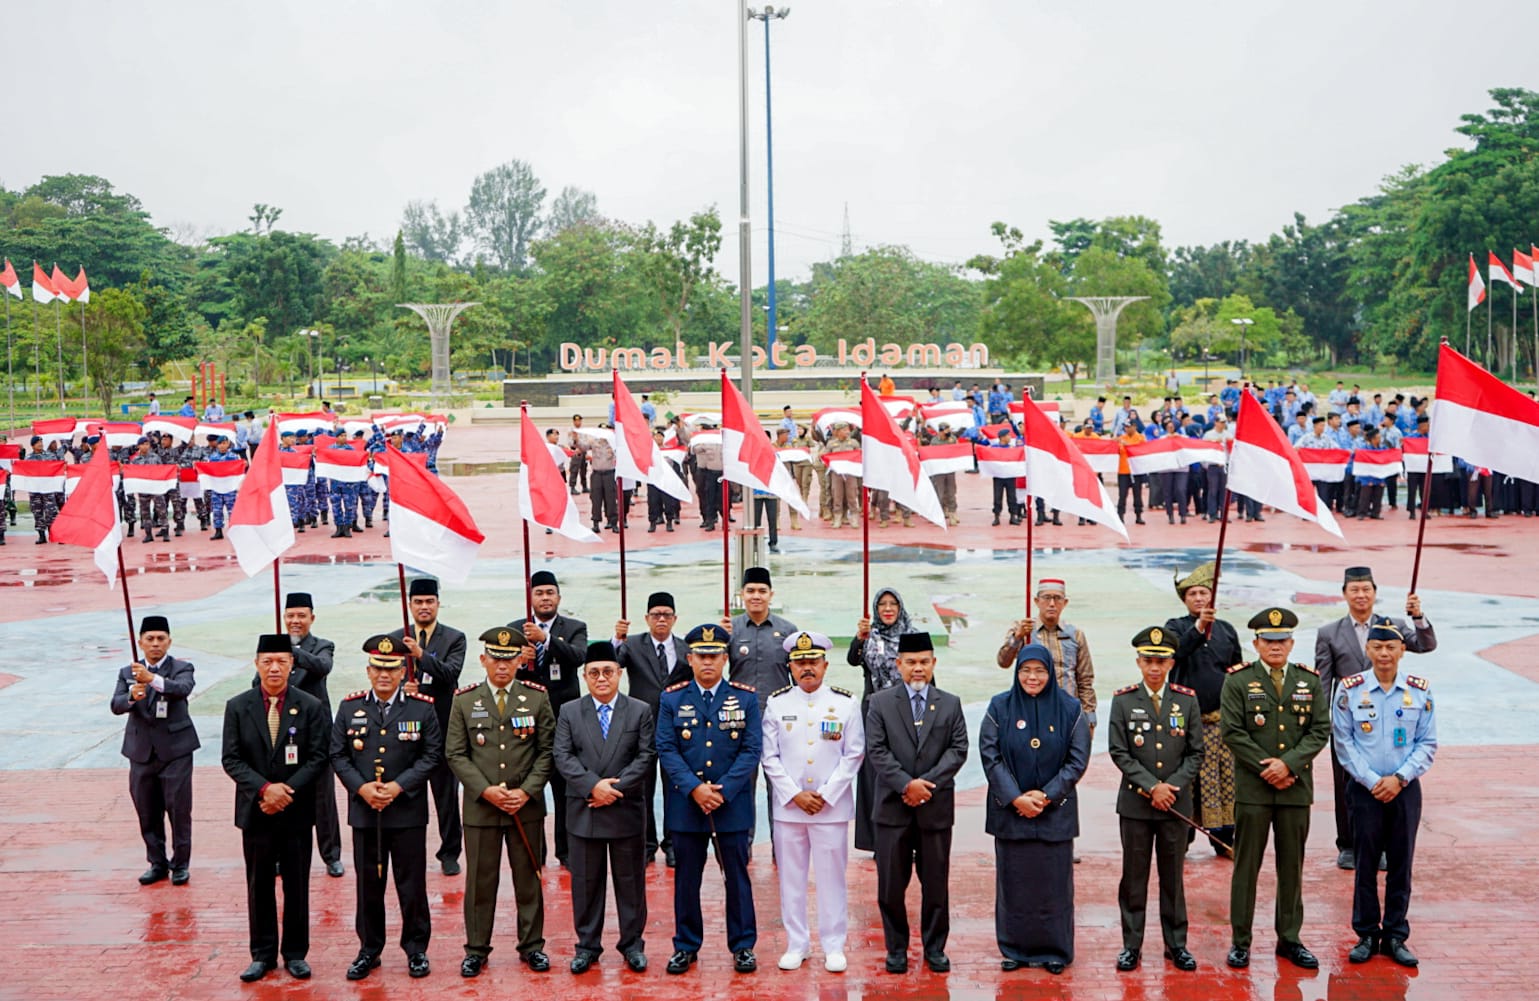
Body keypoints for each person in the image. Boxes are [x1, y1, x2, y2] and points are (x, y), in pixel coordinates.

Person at [1221, 608, 1331, 971]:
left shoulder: (1308, 681)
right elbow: (1232, 732)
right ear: (1255, 643)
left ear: (1292, 643)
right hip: (1254, 789)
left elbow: (1319, 730)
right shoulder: (1238, 681)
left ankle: (1290, 938)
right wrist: (1269, 767)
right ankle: (1241, 941)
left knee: (1292, 867)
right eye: (1268, 640)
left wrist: (1290, 765)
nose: (1275, 646)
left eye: (1282, 640)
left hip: (1295, 789)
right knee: (1246, 867)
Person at [331, 635, 443, 981]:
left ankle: (416, 949)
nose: (384, 675)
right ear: (368, 670)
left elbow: (431, 755)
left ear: (402, 671)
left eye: (391, 668)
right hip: (366, 811)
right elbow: (338, 754)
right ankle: (369, 949)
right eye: (378, 668)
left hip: (406, 810)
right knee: (369, 885)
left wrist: (398, 785)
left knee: (411, 885)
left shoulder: (421, 708)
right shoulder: (349, 708)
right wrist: (363, 788)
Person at [444, 627, 554, 977]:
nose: (502, 666)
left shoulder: (537, 698)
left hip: (527, 806)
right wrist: (486, 790)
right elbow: (456, 754)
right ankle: (476, 948)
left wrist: (527, 791)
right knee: (480, 881)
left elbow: (547, 751)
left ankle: (532, 945)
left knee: (529, 878)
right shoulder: (465, 700)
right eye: (495, 659)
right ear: (483, 660)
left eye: (509, 659)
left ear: (520, 660)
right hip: (482, 807)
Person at [222, 634, 330, 982]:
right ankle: (262, 954)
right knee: (259, 884)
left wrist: (286, 791)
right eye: (267, 661)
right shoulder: (238, 706)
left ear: (292, 664)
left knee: (297, 885)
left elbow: (317, 757)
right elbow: (232, 759)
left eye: (281, 661)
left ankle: (295, 953)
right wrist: (265, 790)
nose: (274, 668)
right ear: (256, 664)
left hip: (295, 811)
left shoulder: (310, 705)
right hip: (256, 811)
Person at [656, 624, 762, 975]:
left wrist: (724, 790)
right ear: (689, 658)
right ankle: (686, 945)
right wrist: (695, 788)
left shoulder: (745, 698)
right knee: (687, 878)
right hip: (687, 804)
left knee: (736, 876)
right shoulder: (672, 698)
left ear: (725, 659)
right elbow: (666, 749)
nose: (707, 663)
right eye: (701, 656)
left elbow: (751, 750)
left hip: (731, 803)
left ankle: (743, 945)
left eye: (714, 656)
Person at [1314, 565, 1435, 870]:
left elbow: (1425, 645)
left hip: (1390, 715)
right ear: (1344, 594)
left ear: (1375, 593)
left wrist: (1417, 617)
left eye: (1366, 589)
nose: (1361, 595)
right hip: (1348, 720)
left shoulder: (1392, 626)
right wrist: (1320, 723)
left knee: (1390, 775)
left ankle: (1382, 844)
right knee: (1347, 782)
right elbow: (1323, 681)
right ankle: (1349, 844)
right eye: (1354, 590)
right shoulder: (1329, 633)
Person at [1332, 622, 1437, 968]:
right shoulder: (1351, 690)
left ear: (1402, 650)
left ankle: (1395, 934)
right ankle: (1365, 933)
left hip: (1405, 790)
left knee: (1401, 864)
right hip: (1365, 790)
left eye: (1391, 647)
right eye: (1377, 647)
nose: (1384, 654)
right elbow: (1343, 742)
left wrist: (1400, 778)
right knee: (1364, 862)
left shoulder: (1419, 691)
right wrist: (1373, 779)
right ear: (1368, 651)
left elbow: (1427, 743)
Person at [981, 643, 1091, 975]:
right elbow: (990, 755)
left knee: (1053, 886)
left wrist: (1045, 796)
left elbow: (1077, 760)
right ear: (1017, 673)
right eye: (1025, 670)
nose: (1032, 677)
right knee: (1014, 884)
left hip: (1055, 812)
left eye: (1039, 670)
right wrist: (1016, 798)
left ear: (1050, 673)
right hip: (1010, 812)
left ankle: (1055, 950)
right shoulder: (999, 706)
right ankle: (1015, 948)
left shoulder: (1070, 709)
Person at [864, 631, 968, 974]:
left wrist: (928, 786)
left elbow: (958, 749)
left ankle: (935, 948)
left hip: (934, 810)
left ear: (934, 663)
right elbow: (876, 751)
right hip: (893, 809)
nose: (918, 669)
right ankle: (896, 948)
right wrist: (906, 785)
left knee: (936, 884)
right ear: (899, 665)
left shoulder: (950, 703)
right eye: (911, 662)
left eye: (924, 661)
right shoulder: (880, 703)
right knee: (891, 886)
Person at [761, 631, 864, 973]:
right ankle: (797, 943)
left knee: (832, 879)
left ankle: (834, 945)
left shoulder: (845, 703)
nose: (807, 668)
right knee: (791, 878)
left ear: (825, 665)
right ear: (790, 666)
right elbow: (769, 757)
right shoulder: (777, 704)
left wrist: (827, 794)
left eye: (813, 662)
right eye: (800, 663)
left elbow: (854, 755)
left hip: (830, 808)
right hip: (790, 809)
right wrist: (794, 794)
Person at [554, 642, 657, 974]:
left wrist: (613, 789)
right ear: (584, 676)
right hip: (584, 809)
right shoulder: (570, 711)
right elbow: (563, 756)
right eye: (594, 672)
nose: (602, 678)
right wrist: (592, 786)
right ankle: (587, 946)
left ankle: (632, 945)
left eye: (608, 672)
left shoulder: (639, 710)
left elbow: (645, 756)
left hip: (624, 808)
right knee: (585, 883)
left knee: (630, 883)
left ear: (620, 674)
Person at [1108, 627, 1204, 972]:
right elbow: (1119, 752)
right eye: (1148, 660)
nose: (1154, 667)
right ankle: (1131, 945)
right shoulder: (1122, 700)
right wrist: (1152, 787)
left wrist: (1170, 788)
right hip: (1136, 805)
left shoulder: (1186, 699)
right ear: (1138, 661)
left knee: (1173, 878)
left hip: (1175, 806)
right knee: (1134, 878)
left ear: (1171, 662)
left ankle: (1176, 944)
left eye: (1160, 661)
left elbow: (1196, 753)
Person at [249, 593, 344, 877]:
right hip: (281, 735)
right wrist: (276, 658)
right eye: (290, 616)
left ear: (311, 618)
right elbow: (258, 683)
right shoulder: (273, 650)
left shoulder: (323, 646)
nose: (295, 621)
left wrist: (290, 653)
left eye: (301, 616)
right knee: (285, 793)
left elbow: (322, 667)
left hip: (316, 734)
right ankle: (281, 855)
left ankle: (331, 856)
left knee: (323, 798)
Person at [110, 614, 199, 886]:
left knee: (178, 809)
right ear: (140, 642)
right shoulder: (128, 672)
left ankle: (180, 864)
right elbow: (115, 705)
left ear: (169, 641)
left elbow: (182, 689)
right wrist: (130, 697)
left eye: (161, 639)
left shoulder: (182, 668)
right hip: (140, 752)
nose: (156, 644)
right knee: (147, 811)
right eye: (150, 639)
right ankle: (157, 862)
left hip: (176, 751)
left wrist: (152, 679)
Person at [507, 569, 589, 866]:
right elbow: (502, 671)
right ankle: (534, 851)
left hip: (563, 723)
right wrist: (519, 660)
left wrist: (547, 640)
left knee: (566, 790)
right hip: (525, 725)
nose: (545, 598)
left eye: (549, 593)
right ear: (531, 598)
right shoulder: (515, 629)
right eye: (539, 593)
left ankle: (566, 852)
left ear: (558, 597)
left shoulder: (576, 627)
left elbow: (578, 657)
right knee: (531, 791)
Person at [386, 577, 467, 875]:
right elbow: (384, 679)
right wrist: (400, 689)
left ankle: (449, 852)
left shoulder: (454, 638)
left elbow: (450, 673)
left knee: (446, 794)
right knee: (408, 793)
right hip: (406, 731)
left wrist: (421, 656)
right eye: (418, 602)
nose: (424, 607)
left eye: (429, 601)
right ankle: (409, 848)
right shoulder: (396, 639)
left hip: (442, 727)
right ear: (410, 605)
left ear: (437, 604)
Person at [1165, 562, 1242, 856]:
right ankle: (1184, 838)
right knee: (1188, 780)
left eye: (1203, 593)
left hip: (1221, 721)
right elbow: (1176, 652)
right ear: (1185, 600)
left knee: (1226, 779)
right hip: (1187, 721)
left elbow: (1236, 669)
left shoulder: (1226, 630)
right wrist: (1198, 628)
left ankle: (1224, 838)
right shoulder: (1175, 627)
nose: (1198, 598)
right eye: (1192, 594)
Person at [614, 591, 692, 866]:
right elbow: (613, 664)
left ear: (674, 618)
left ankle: (673, 844)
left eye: (666, 615)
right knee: (641, 788)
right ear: (647, 618)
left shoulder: (686, 649)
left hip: (676, 729)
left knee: (676, 788)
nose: (661, 619)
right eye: (656, 615)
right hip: (642, 728)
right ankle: (646, 845)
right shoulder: (632, 644)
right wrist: (617, 638)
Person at [847, 588, 912, 853]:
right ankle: (876, 839)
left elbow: (924, 672)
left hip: (905, 711)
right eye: (882, 604)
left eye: (892, 604)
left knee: (905, 768)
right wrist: (859, 638)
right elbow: (853, 660)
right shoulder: (869, 636)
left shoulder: (912, 635)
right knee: (875, 772)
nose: (887, 609)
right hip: (874, 711)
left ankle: (907, 838)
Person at [994, 579, 1098, 732]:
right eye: (1046, 598)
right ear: (1036, 601)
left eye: (1057, 598)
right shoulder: (1024, 630)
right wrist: (1017, 637)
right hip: (1030, 711)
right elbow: (1003, 662)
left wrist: (1089, 719)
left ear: (1065, 602)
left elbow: (1085, 679)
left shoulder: (1076, 635)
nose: (1051, 604)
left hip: (1067, 711)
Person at [566, 415, 589, 495]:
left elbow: (586, 441)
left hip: (583, 451)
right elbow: (569, 442)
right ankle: (572, 487)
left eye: (579, 421)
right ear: (573, 421)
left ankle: (584, 486)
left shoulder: (583, 430)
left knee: (584, 470)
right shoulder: (571, 430)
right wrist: (575, 443)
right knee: (574, 469)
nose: (578, 422)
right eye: (576, 421)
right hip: (576, 452)